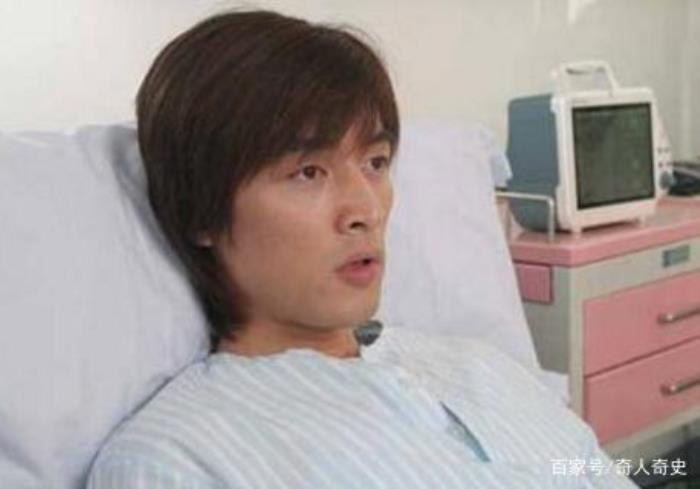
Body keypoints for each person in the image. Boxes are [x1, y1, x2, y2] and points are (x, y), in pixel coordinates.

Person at [88, 10, 637, 488]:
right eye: (308, 171)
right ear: (201, 212)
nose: (367, 209)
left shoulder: (481, 366)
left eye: (375, 163)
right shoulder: (177, 460)